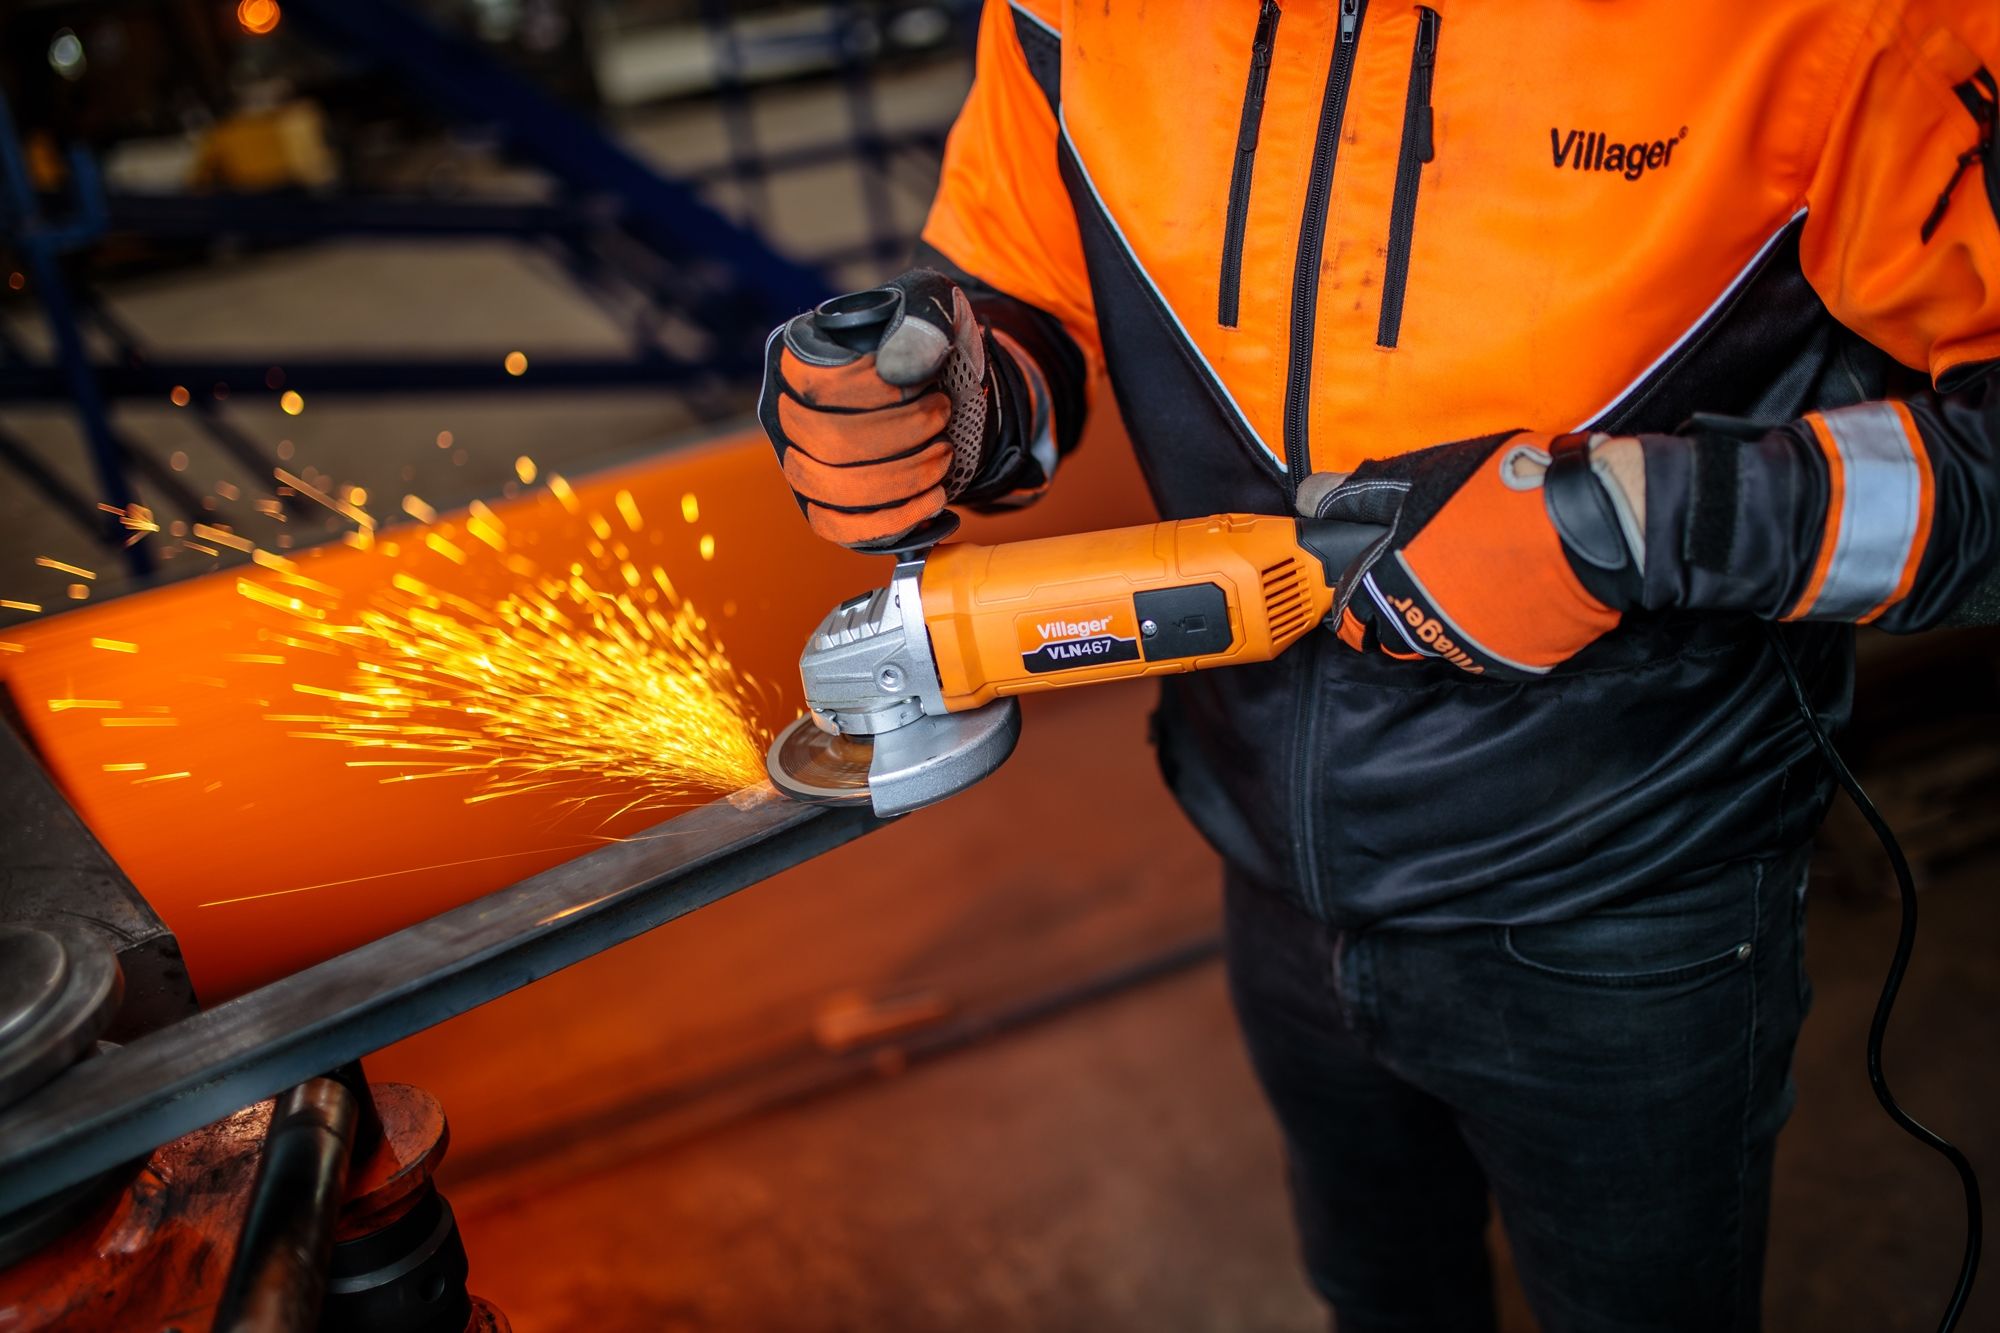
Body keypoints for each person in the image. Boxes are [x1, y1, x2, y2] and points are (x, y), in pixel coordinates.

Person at [756, 3, 2000, 1328]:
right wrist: (959, 395)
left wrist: (1637, 521)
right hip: (1268, 862)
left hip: (1625, 886)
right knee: (1381, 1299)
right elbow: (1029, 283)